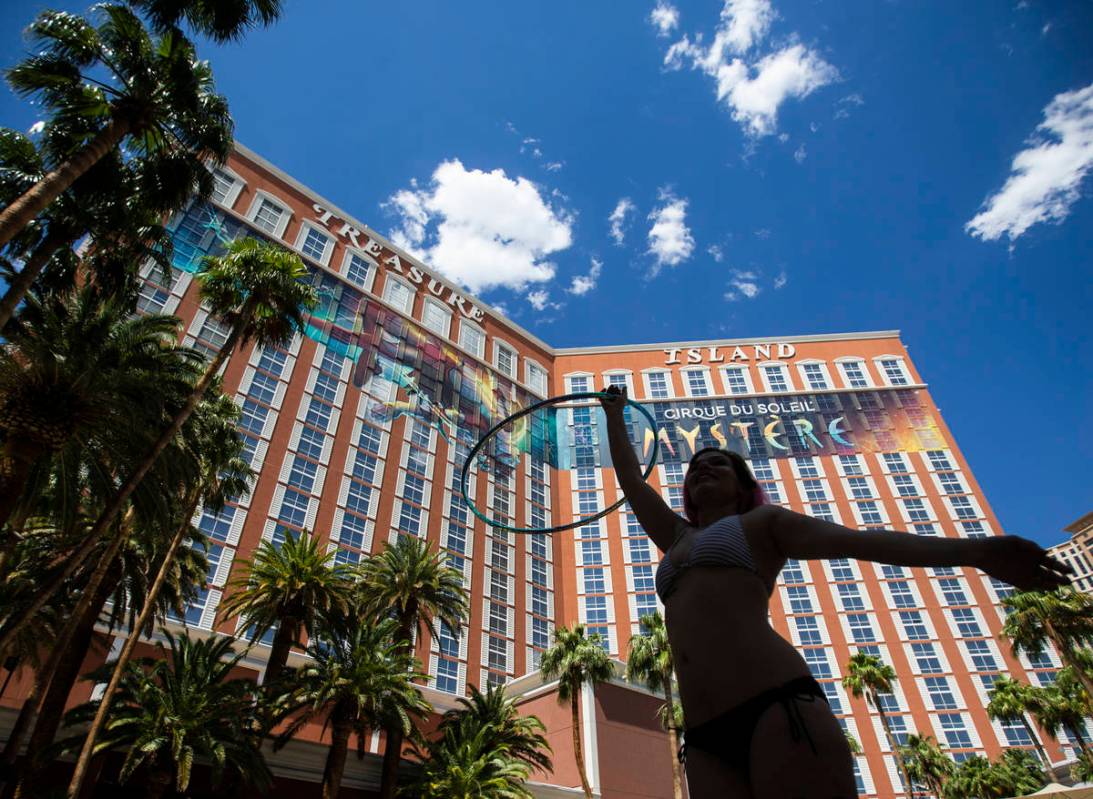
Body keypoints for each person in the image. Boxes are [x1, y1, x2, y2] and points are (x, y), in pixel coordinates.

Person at [598, 385, 1071, 799]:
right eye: (695, 467)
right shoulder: (676, 538)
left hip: (774, 703)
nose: (701, 469)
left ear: (743, 488)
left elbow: (864, 541)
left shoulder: (763, 523)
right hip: (703, 732)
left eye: (716, 463)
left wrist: (979, 552)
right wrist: (615, 416)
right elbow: (631, 482)